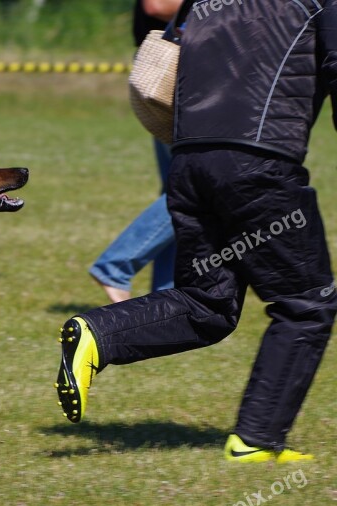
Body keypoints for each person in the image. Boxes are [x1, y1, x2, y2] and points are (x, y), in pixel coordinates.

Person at [56, 0, 337, 463]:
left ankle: (97, 333)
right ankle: (256, 441)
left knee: (208, 302)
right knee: (307, 304)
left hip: (189, 161)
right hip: (258, 163)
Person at [88, 0, 184, 303]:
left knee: (177, 189)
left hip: (183, 69)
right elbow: (156, 5)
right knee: (192, 191)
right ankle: (116, 267)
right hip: (178, 71)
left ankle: (165, 296)